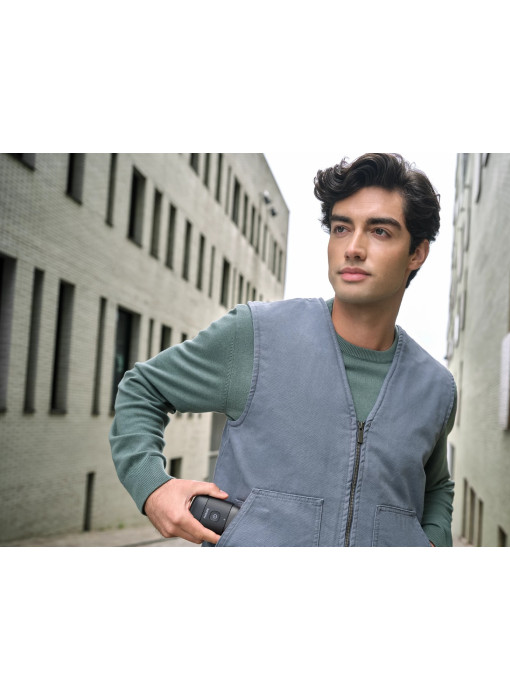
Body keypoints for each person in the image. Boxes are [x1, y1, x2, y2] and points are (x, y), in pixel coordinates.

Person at [109, 153, 456, 547]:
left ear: (417, 253)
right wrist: (153, 488)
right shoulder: (256, 335)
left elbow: (435, 486)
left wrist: (433, 541)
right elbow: (143, 388)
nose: (353, 248)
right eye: (341, 228)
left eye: (379, 231)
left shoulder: (436, 388)